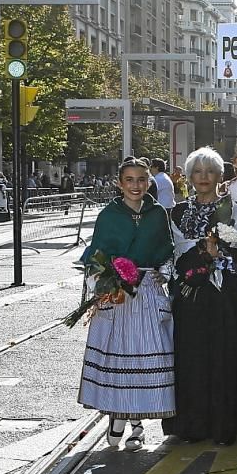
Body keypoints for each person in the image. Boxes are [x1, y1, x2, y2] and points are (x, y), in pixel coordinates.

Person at [77, 158, 176, 451]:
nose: (136, 185)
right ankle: (119, 416)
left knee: (146, 357)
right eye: (130, 180)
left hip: (146, 293)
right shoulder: (109, 215)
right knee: (118, 357)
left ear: (149, 182)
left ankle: (137, 425)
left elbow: (167, 251)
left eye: (142, 180)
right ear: (119, 183)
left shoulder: (157, 213)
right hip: (117, 296)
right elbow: (96, 255)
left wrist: (164, 272)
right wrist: (104, 284)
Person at [164, 149, 237, 446]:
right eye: (197, 172)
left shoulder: (235, 209)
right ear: (189, 177)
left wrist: (223, 250)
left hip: (225, 291)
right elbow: (173, 253)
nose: (203, 177)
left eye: (210, 171)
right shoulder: (177, 211)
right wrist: (201, 255)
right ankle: (192, 424)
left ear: (220, 176)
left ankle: (224, 425)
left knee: (225, 355)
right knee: (192, 356)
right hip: (190, 292)